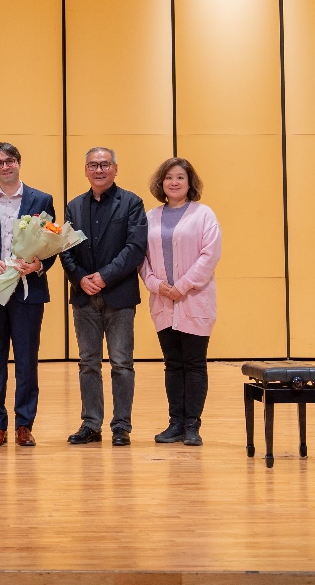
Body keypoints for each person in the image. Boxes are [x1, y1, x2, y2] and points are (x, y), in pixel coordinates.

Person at [0, 142, 55, 447]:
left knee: (27, 360)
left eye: (9, 161)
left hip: (28, 291)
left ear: (18, 162)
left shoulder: (42, 199)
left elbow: (52, 243)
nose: (5, 166)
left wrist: (39, 264)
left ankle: (24, 424)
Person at [59, 147, 148, 446]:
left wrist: (104, 276)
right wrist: (80, 278)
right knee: (88, 363)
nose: (99, 170)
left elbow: (134, 248)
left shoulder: (132, 203)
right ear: (85, 170)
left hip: (119, 295)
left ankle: (121, 426)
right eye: (93, 165)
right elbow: (64, 249)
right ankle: (91, 424)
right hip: (84, 295)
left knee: (121, 364)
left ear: (115, 168)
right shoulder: (74, 206)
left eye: (105, 164)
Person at [140, 158, 221, 446]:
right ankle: (175, 423)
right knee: (173, 364)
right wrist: (156, 285)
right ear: (161, 183)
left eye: (180, 177)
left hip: (195, 300)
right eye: (169, 178)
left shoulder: (204, 214)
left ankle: (192, 426)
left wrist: (182, 286)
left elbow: (210, 255)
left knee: (194, 364)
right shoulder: (150, 217)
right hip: (162, 302)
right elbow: (142, 258)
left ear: (190, 183)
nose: (174, 182)